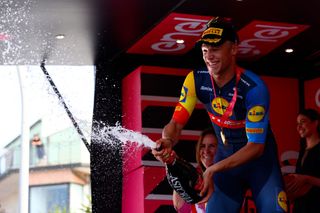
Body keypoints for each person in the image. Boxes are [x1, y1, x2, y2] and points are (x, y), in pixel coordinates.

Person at [152, 17, 287, 213]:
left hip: (261, 165)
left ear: (233, 49)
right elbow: (176, 124)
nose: (209, 56)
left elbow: (256, 147)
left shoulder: (253, 87)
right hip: (227, 165)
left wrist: (213, 169)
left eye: (215, 49)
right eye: (205, 50)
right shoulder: (195, 80)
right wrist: (167, 141)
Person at [172, 128, 217, 213]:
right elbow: (180, 208)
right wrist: (176, 167)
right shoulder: (192, 175)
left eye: (212, 146)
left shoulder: (229, 177)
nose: (206, 151)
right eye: (202, 146)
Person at [285, 109, 320, 213]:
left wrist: (306, 179)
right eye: (297, 123)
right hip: (301, 207)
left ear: (315, 123)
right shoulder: (302, 151)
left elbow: (306, 180)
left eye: (303, 122)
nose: (299, 127)